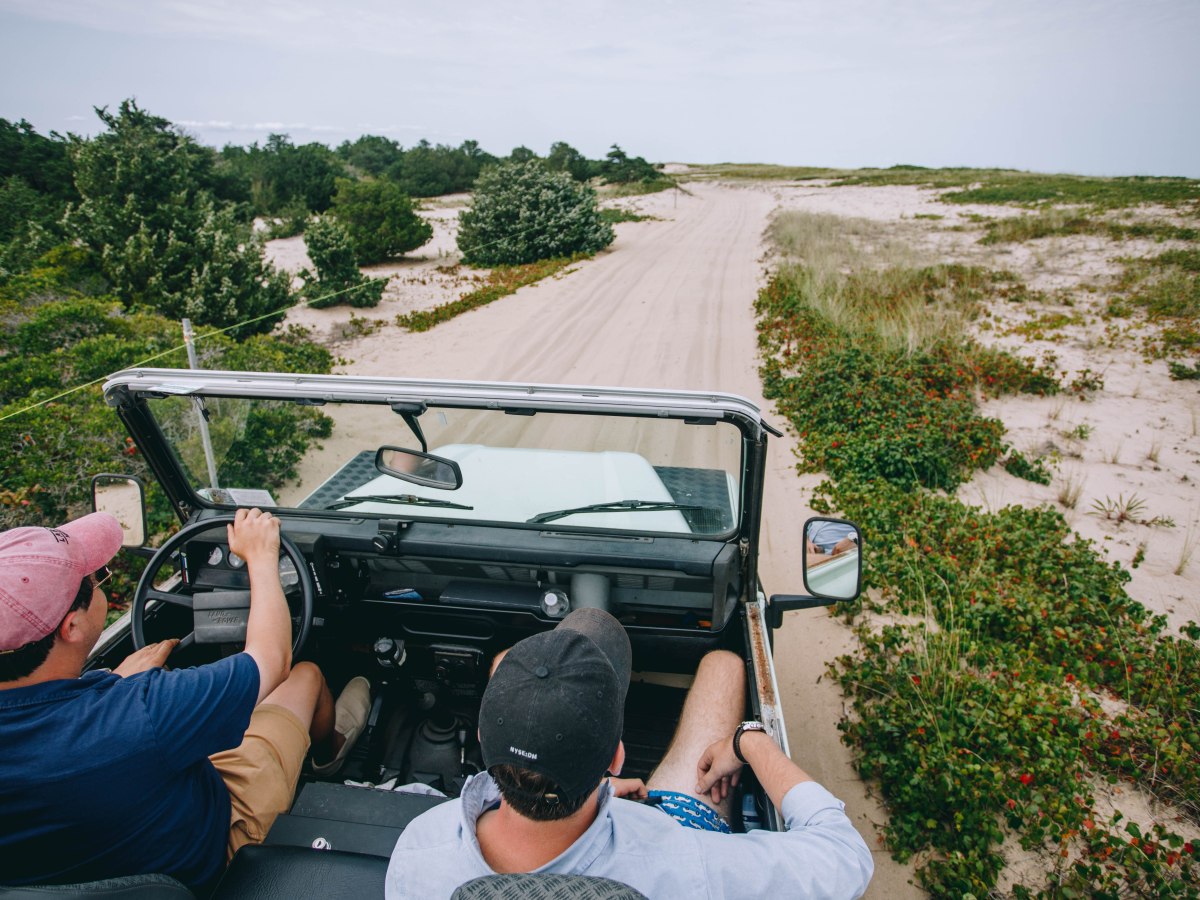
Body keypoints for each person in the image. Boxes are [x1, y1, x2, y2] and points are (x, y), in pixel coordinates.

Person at [385, 608, 873, 899]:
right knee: (723, 666)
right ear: (617, 759)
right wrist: (748, 741)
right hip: (663, 832)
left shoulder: (419, 852)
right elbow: (846, 856)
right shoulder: (687, 865)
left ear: (481, 737)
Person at [0, 509, 371, 890]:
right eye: (98, 579)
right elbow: (272, 660)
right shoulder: (141, 709)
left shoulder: (127, 703)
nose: (101, 583)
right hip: (216, 849)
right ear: (72, 626)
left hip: (122, 869)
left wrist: (114, 683)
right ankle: (329, 757)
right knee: (305, 676)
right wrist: (261, 558)